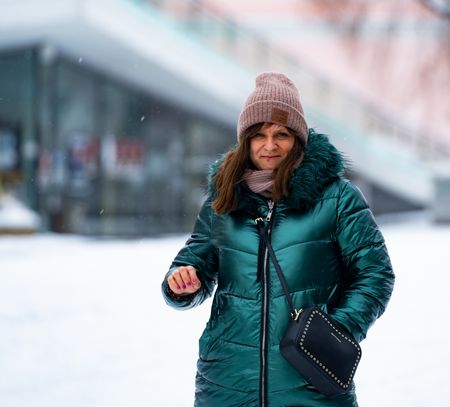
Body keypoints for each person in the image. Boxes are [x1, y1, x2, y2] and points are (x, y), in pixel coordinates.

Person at [162, 72, 395, 406]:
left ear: (297, 139)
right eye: (259, 135)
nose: (269, 146)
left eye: (281, 134)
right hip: (227, 384)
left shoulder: (337, 198)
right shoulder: (224, 198)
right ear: (246, 141)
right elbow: (195, 261)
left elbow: (375, 274)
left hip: (312, 385)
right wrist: (181, 282)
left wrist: (336, 331)